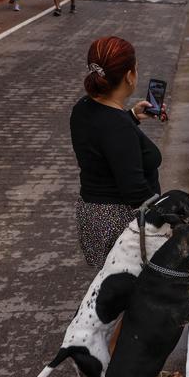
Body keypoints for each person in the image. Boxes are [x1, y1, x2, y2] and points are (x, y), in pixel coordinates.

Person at [70, 36, 161, 270]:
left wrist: (131, 116)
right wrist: (171, 220)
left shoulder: (82, 107)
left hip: (93, 216)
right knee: (133, 293)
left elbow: (102, 141)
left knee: (111, 284)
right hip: (119, 221)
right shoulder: (117, 126)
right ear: (130, 76)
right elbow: (135, 190)